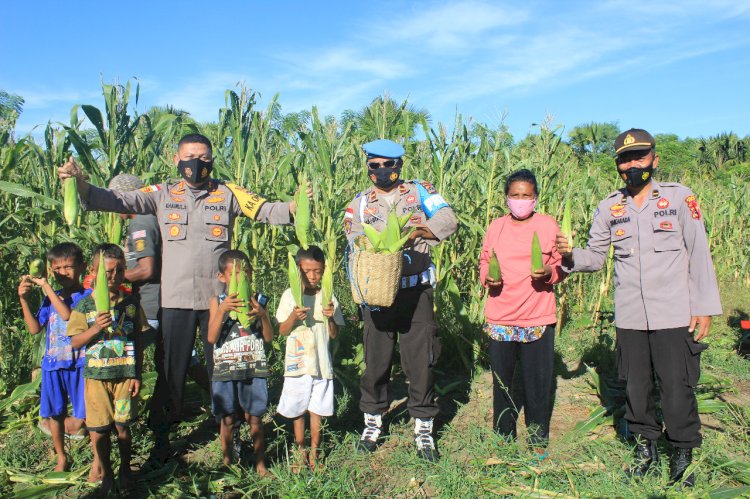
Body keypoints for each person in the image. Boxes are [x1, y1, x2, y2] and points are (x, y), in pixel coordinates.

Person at [58, 133, 303, 460]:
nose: (196, 164)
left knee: (224, 371)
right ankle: (162, 437)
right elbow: (118, 201)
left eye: (203, 158)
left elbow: (266, 210)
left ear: (212, 160)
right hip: (175, 302)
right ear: (177, 159)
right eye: (189, 157)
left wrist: (298, 205)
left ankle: (231, 436)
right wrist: (80, 185)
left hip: (220, 303)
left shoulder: (227, 193)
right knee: (170, 373)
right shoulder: (161, 194)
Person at [555, 129, 722, 487]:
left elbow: (699, 253)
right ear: (617, 165)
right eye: (625, 159)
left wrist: (704, 307)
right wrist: (568, 256)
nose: (633, 165)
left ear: (654, 160)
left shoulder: (679, 199)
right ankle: (646, 447)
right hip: (630, 315)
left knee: (677, 387)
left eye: (640, 157)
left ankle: (682, 452)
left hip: (674, 313)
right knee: (636, 387)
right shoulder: (609, 207)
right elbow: (596, 257)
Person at [343, 139, 458, 461]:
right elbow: (351, 233)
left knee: (420, 360)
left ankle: (423, 426)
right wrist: (373, 244)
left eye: (388, 165)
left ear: (399, 166)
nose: (381, 171)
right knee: (376, 358)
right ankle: (373, 420)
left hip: (415, 288)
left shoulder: (421, 191)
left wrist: (422, 232)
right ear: (368, 168)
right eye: (374, 166)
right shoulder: (360, 202)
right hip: (377, 291)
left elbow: (448, 218)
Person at [478, 169, 566, 457]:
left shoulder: (548, 225)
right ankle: (502, 438)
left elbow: (562, 266)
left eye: (526, 195)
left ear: (536, 198)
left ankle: (538, 438)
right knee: (502, 383)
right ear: (506, 198)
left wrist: (549, 274)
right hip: (501, 316)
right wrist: (487, 278)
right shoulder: (495, 227)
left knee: (537, 383)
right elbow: (484, 260)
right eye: (515, 195)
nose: (520, 200)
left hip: (537, 316)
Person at [66, 244, 146, 495]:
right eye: (108, 272)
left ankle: (125, 470)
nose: (114, 276)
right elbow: (75, 341)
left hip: (124, 378)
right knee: (99, 429)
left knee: (123, 426)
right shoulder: (85, 306)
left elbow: (137, 340)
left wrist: (137, 374)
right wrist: (95, 329)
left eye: (120, 270)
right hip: (96, 379)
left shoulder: (131, 304)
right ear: (93, 272)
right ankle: (106, 473)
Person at [17, 243, 91, 472]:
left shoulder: (86, 296)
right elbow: (34, 328)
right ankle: (61, 458)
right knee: (55, 414)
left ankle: (98, 457)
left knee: (86, 414)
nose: (64, 272)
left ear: (82, 267)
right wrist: (24, 300)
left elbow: (67, 315)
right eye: (57, 268)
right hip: (53, 365)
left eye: (69, 267)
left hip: (79, 363)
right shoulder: (50, 298)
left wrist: (47, 287)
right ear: (51, 270)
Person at [276, 245, 345, 470]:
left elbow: (335, 335)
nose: (313, 276)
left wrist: (331, 317)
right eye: (307, 271)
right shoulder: (289, 296)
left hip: (322, 365)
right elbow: (282, 331)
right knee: (297, 410)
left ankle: (315, 452)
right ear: (297, 271)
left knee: (317, 411)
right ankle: (299, 450)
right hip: (297, 365)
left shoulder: (329, 296)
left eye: (318, 271)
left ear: (324, 270)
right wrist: (294, 317)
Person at [207, 250, 273, 474]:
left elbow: (269, 337)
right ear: (222, 277)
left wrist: (262, 315)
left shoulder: (259, 300)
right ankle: (228, 464)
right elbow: (211, 337)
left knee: (255, 417)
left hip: (253, 368)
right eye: (235, 274)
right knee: (226, 418)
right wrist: (223, 311)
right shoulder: (217, 302)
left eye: (245, 272)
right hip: (225, 370)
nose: (241, 277)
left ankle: (260, 462)